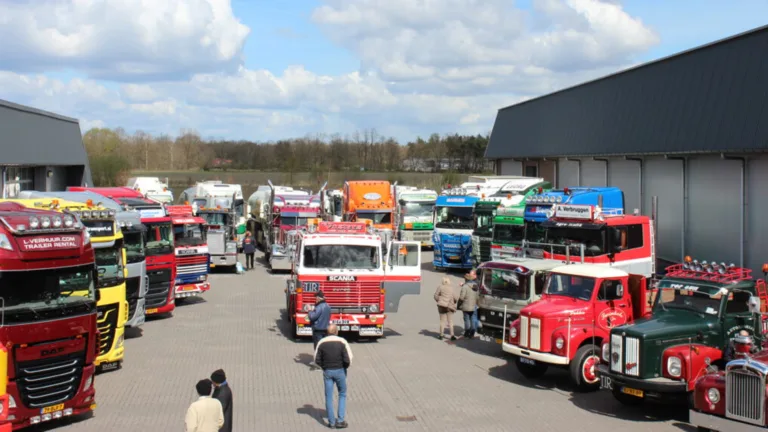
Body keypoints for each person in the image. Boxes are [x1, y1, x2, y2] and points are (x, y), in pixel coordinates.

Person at [315, 324, 352, 429]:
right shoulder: (342, 342)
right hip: (340, 371)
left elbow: (317, 360)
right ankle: (340, 421)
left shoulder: (321, 343)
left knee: (329, 397)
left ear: (327, 332)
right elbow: (347, 359)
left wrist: (324, 367)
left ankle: (331, 423)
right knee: (342, 394)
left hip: (328, 372)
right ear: (336, 332)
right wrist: (344, 368)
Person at [434, 276, 458, 340]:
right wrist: (454, 302)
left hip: (441, 306)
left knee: (442, 321)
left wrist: (439, 300)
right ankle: (452, 335)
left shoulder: (440, 287)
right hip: (450, 306)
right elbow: (456, 298)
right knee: (450, 321)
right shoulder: (451, 288)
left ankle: (441, 335)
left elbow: (435, 295)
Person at [459, 270, 479, 338]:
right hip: (474, 306)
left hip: (466, 306)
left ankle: (467, 332)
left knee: (467, 319)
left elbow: (461, 298)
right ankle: (472, 333)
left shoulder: (465, 287)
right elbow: (477, 297)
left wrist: (459, 304)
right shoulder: (475, 286)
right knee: (473, 319)